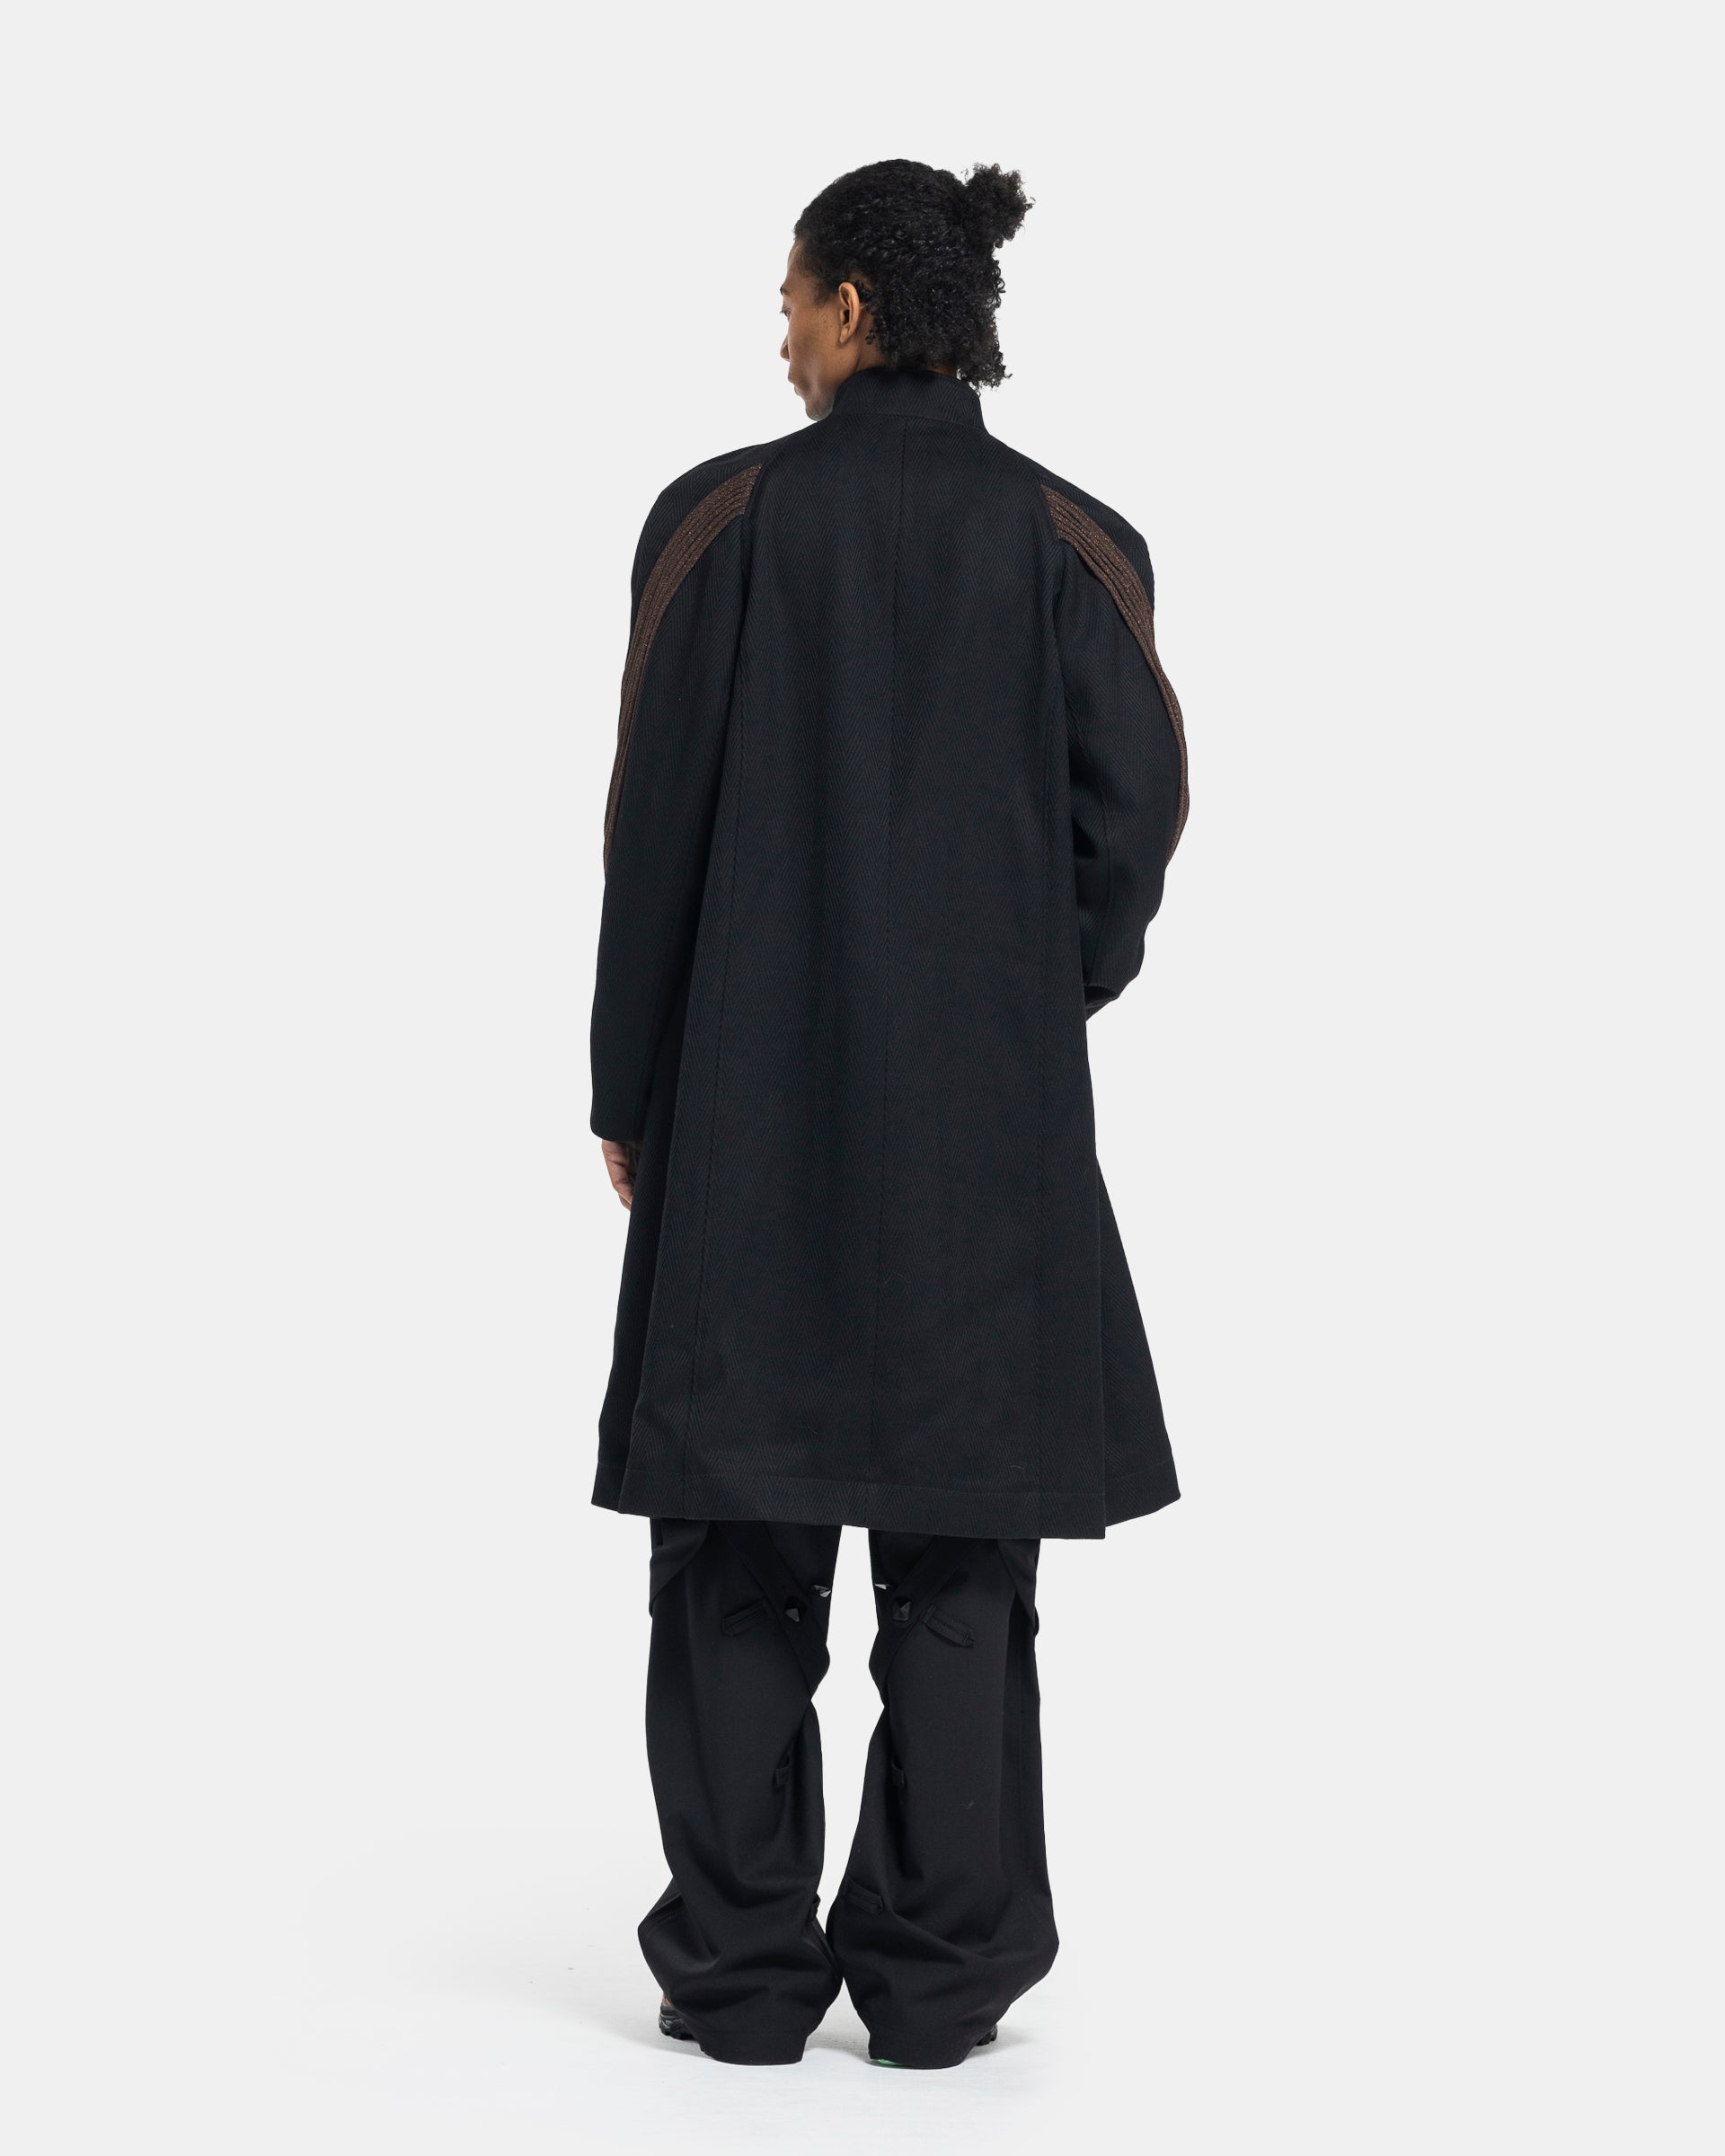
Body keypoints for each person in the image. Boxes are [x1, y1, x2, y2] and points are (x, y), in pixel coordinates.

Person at [589, 158, 1190, 2070]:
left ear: (855, 308)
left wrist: (628, 1084)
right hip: (987, 1142)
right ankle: (938, 1983)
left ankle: (741, 1979)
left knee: (735, 1547)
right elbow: (1133, 831)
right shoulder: (1079, 543)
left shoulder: (716, 523)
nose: (778, 331)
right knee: (961, 1555)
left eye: (791, 296)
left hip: (742, 1115)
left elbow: (650, 835)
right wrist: (1018, 994)